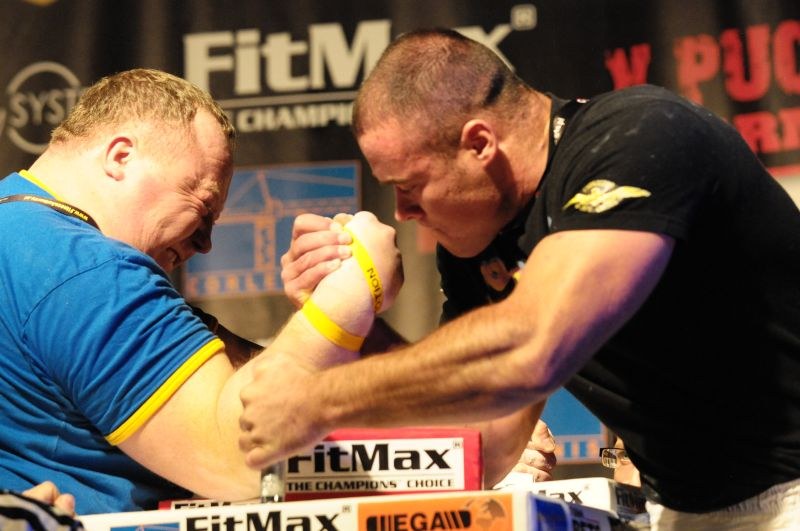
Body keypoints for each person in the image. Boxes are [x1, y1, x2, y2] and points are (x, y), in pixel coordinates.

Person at [238, 28, 800, 529]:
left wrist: (318, 399)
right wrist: (353, 313)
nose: (402, 212)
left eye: (409, 186)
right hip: (687, 508)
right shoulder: (480, 236)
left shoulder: (640, 136)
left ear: (480, 144)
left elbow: (531, 346)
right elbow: (484, 441)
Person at [0, 68, 405, 515]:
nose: (205, 242)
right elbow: (241, 452)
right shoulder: (82, 268)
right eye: (204, 205)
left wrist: (318, 323)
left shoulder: (16, 229)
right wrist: (351, 291)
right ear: (121, 157)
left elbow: (232, 384)